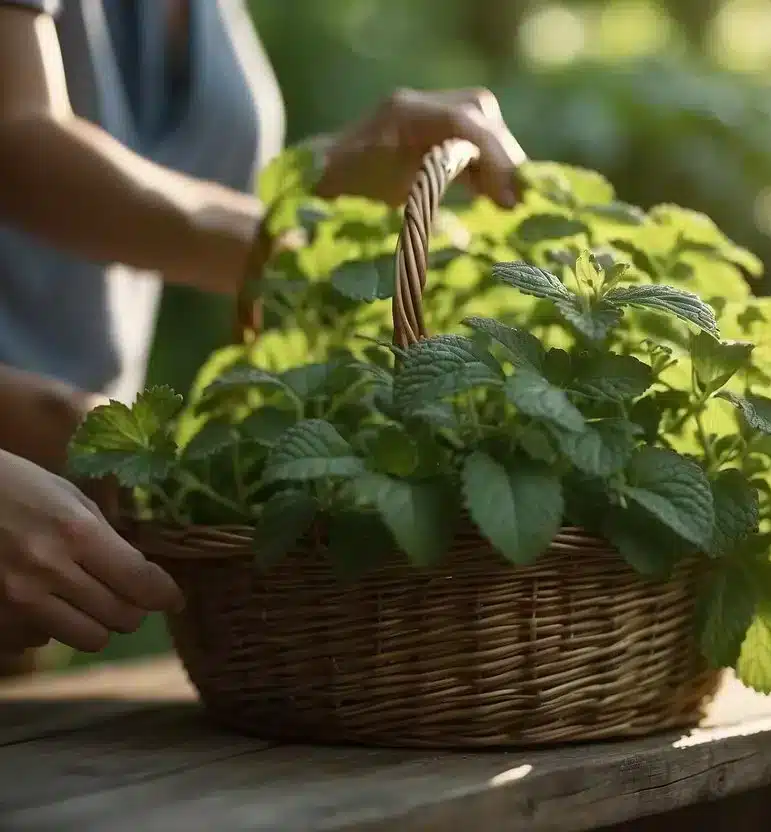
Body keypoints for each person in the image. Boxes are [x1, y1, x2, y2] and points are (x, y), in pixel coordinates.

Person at [0, 0, 527, 658]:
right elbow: (18, 134)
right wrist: (315, 254)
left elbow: (176, 186)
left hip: (48, 535)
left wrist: (333, 180)